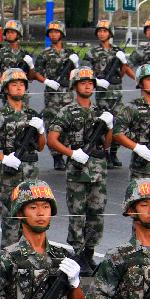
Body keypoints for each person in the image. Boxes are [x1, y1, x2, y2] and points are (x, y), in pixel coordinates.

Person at [47, 67, 113, 274]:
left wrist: (109, 127)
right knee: (78, 214)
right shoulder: (67, 111)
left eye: (90, 83)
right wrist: (71, 153)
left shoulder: (100, 113)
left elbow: (107, 144)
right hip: (77, 171)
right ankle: (77, 253)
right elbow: (52, 140)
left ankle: (89, 253)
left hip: (98, 170)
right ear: (75, 86)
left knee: (96, 214)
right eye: (83, 82)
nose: (87, 85)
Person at [0, 68, 47, 248]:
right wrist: (2, 158)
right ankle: (8, 261)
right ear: (6, 89)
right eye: (14, 84)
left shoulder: (33, 114)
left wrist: (40, 131)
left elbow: (41, 146)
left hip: (31, 171)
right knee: (10, 220)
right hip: (10, 173)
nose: (18, 88)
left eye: (22, 84)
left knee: (31, 219)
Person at [33, 21, 79, 171]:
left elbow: (78, 73)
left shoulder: (70, 53)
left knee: (69, 124)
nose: (54, 34)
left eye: (56, 32)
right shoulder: (45, 54)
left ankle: (67, 152)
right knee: (52, 123)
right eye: (51, 32)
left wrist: (75, 65)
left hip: (67, 94)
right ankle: (56, 157)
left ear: (62, 34)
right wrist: (47, 81)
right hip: (52, 95)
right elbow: (36, 73)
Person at [89, 20, 132, 167]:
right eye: (99, 31)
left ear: (110, 33)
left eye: (105, 31)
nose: (102, 33)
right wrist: (96, 81)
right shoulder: (92, 52)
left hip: (116, 95)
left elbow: (122, 72)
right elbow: (86, 71)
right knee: (103, 125)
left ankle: (114, 153)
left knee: (118, 124)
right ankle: (104, 152)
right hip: (102, 96)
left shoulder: (117, 51)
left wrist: (123, 61)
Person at [113, 64, 150, 185]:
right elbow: (117, 132)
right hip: (142, 168)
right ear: (140, 83)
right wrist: (136, 147)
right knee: (140, 203)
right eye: (148, 79)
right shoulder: (132, 107)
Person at [0, 20, 34, 87]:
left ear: (18, 34)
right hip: (6, 93)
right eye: (7, 32)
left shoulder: (25, 54)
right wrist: (2, 84)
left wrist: (31, 66)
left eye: (12, 32)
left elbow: (30, 78)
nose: (9, 34)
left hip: (22, 92)